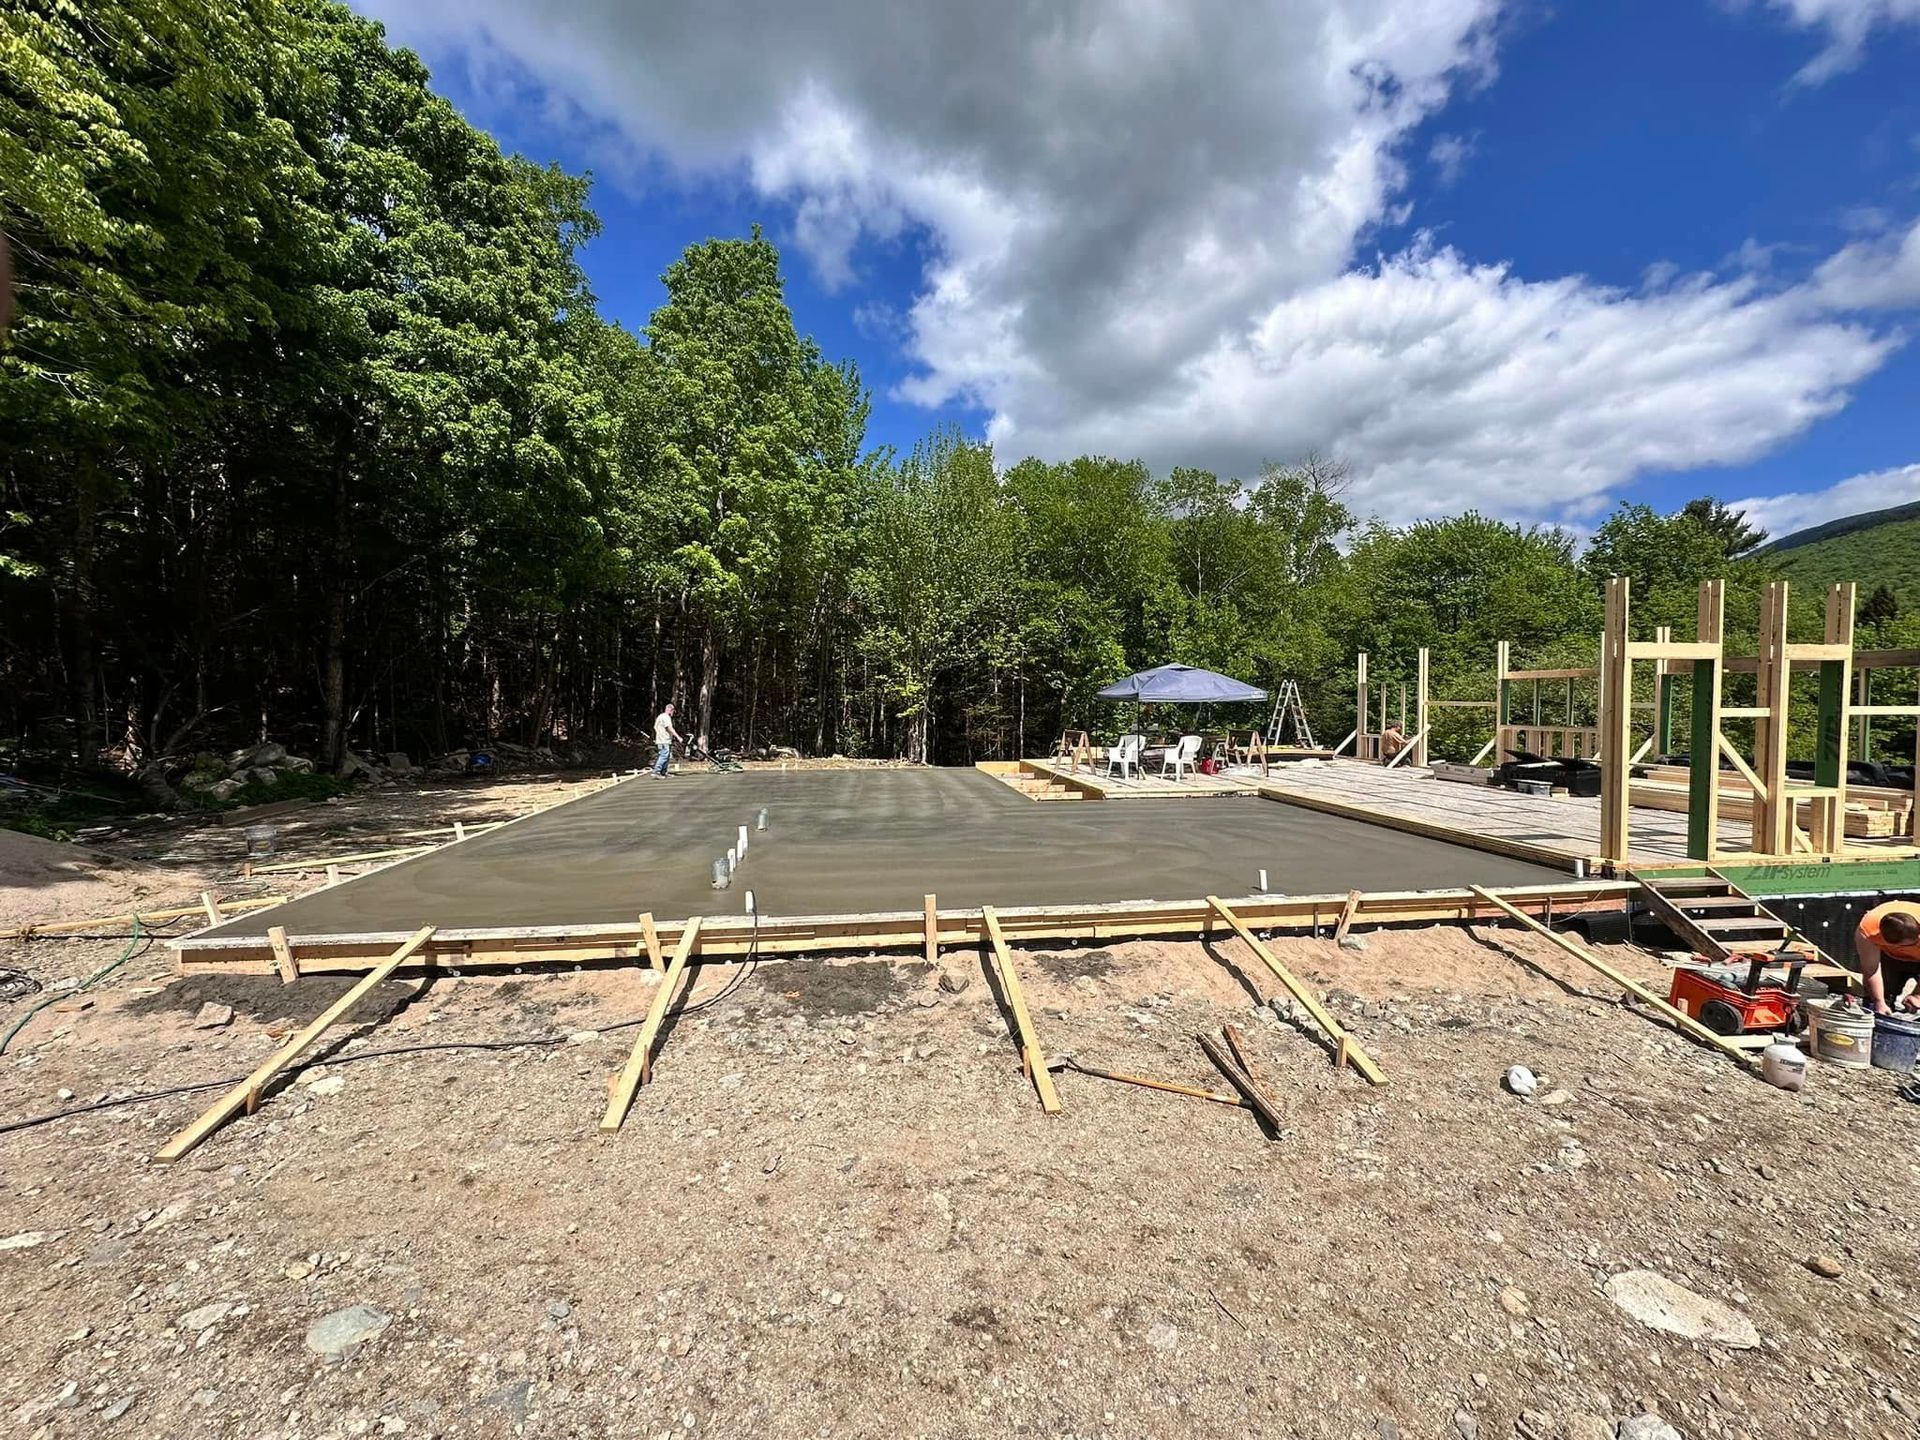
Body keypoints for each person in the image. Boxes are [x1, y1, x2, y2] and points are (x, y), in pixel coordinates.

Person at [1855, 901, 1920, 1014]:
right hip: (1890, 957)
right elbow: (1871, 970)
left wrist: (1918, 995)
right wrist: (1879, 1002)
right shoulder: (1868, 931)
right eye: (1909, 945)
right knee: (1877, 1000)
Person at [652, 703, 685, 778]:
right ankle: (656, 772)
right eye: (673, 711)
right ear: (670, 710)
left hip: (660, 739)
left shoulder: (660, 716)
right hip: (664, 740)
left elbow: (655, 727)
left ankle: (663, 772)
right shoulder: (666, 717)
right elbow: (669, 728)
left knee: (665, 756)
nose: (673, 713)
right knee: (664, 755)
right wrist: (678, 737)